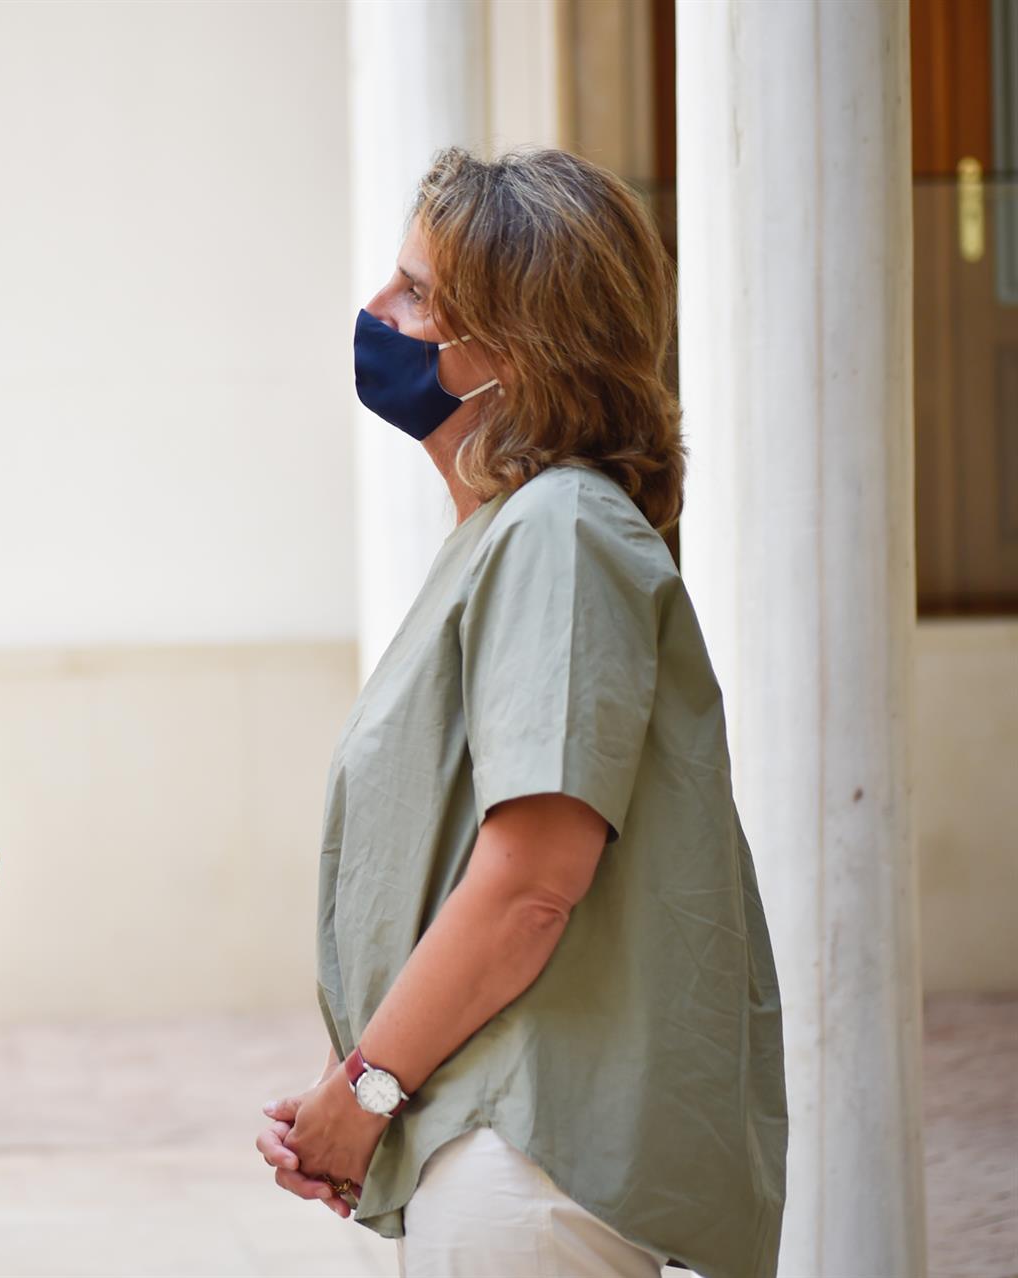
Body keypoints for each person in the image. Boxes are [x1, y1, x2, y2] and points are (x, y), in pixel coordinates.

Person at [255, 147, 787, 1278]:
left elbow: (532, 881)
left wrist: (367, 1091)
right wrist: (357, 1101)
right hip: (487, 1140)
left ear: (515, 351)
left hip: (527, 1160)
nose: (375, 313)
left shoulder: (562, 532)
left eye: (417, 295)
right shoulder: (512, 536)